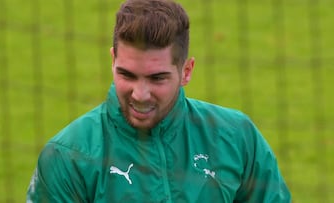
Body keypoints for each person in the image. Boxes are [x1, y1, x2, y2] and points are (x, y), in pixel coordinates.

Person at [27, 0, 291, 202]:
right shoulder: (68, 156)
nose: (140, 95)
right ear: (112, 61)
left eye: (157, 79)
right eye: (127, 75)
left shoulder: (236, 138)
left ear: (186, 71)